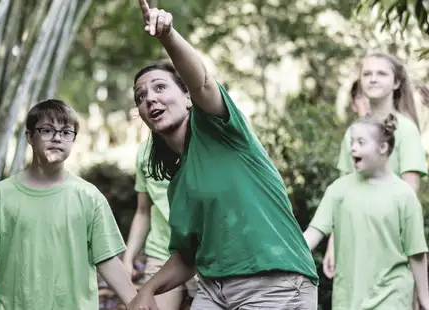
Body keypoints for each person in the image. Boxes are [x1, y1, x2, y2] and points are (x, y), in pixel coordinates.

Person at [128, 1, 319, 309]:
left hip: (274, 284)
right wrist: (147, 290)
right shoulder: (178, 183)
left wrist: (167, 36)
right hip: (215, 290)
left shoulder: (221, 130)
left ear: (187, 98)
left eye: (160, 87)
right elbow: (187, 258)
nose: (150, 97)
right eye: (141, 96)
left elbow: (202, 81)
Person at [0, 99, 136, 309]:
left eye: (65, 132)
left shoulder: (88, 196)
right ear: (29, 137)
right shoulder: (3, 194)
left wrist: (138, 302)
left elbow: (107, 259)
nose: (57, 138)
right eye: (47, 130)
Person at [303, 113, 429, 309]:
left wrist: (425, 299)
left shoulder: (404, 195)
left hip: (392, 297)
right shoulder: (338, 190)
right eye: (352, 141)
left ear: (383, 148)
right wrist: (280, 254)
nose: (353, 147)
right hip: (348, 300)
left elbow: (417, 253)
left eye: (361, 142)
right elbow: (312, 235)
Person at [322, 52, 427, 281]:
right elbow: (342, 195)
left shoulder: (406, 130)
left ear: (396, 82)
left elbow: (410, 194)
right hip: (354, 243)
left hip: (391, 244)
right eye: (367, 73)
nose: (373, 78)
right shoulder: (353, 132)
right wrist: (333, 243)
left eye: (381, 73)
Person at [123, 139, 198, 310]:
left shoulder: (204, 143)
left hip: (203, 256)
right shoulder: (144, 152)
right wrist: (128, 258)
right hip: (161, 254)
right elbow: (143, 211)